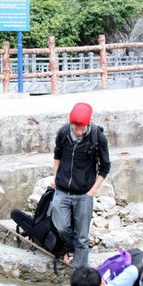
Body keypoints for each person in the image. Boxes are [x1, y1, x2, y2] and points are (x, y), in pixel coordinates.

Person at [51, 102, 111, 268]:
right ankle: (73, 248)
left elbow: (105, 167)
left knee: (83, 237)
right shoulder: (63, 132)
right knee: (61, 227)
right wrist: (55, 177)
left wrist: (92, 192)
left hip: (84, 192)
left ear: (88, 123)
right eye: (75, 127)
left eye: (81, 128)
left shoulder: (97, 137)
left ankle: (80, 274)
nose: (78, 131)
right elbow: (57, 155)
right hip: (62, 189)